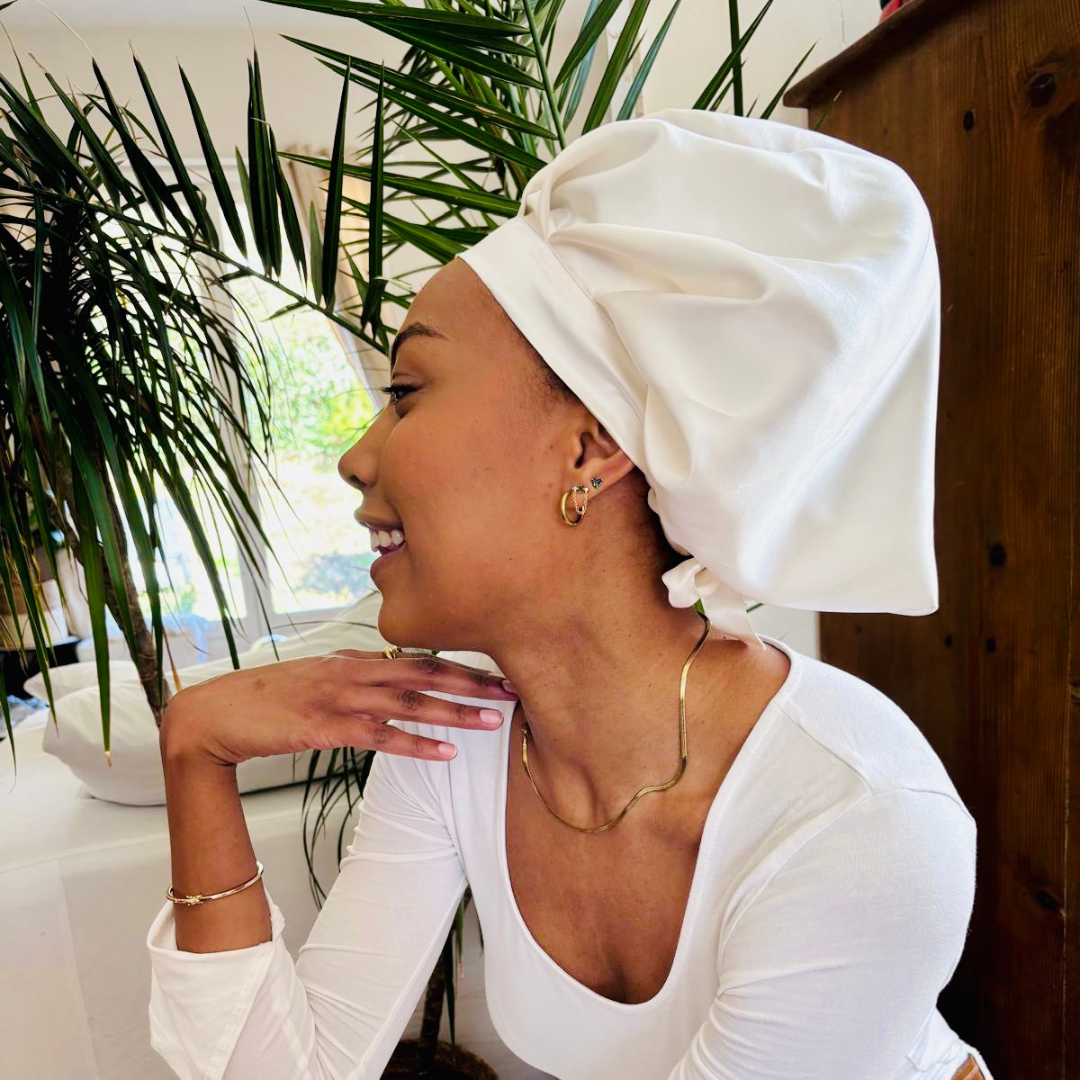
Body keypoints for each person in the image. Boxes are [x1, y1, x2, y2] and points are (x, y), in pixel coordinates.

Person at [147, 108, 994, 1080]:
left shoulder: (857, 814)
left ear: (591, 449)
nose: (355, 457)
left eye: (408, 392)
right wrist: (195, 750)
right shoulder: (459, 735)